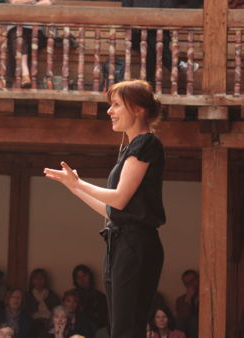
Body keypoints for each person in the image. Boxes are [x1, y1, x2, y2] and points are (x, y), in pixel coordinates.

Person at [44, 79, 166, 338]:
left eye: (116, 105)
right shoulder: (131, 148)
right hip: (120, 241)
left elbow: (119, 199)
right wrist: (73, 187)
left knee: (126, 329)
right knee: (119, 329)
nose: (109, 111)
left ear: (137, 109)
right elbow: (112, 212)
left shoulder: (146, 143)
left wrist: (80, 183)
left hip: (137, 245)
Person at [7, 0, 52, 88]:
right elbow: (14, 2)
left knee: (20, 41)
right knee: (18, 37)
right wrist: (35, 3)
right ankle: (25, 74)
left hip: (37, 31)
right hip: (17, 28)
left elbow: (48, 2)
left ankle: (19, 79)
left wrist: (30, 5)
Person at [70, 265, 107, 332]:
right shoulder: (71, 296)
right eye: (78, 277)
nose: (82, 280)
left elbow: (103, 321)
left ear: (90, 276)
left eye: (84, 276)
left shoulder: (100, 297)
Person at [24, 268, 60, 338]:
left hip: (50, 324)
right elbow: (26, 313)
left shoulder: (52, 295)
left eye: (41, 278)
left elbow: (57, 312)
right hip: (32, 325)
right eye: (36, 278)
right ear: (32, 280)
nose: (39, 280)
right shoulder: (27, 296)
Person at [175, 270, 199, 337]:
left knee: (194, 320)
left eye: (193, 280)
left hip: (201, 326)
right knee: (178, 321)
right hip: (186, 329)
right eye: (187, 283)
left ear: (199, 279)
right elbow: (183, 317)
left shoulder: (206, 297)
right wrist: (188, 298)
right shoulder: (180, 300)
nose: (191, 284)